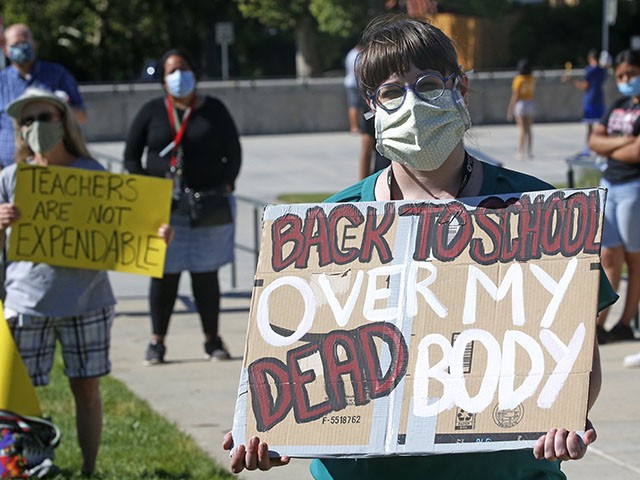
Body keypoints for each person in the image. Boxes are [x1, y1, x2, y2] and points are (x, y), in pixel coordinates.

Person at [223, 14, 617, 479]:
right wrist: (273, 428)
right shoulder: (325, 229)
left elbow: (576, 352)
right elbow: (291, 350)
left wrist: (565, 415)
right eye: (391, 92)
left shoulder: (541, 215)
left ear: (461, 89)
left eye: (428, 84)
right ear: (372, 107)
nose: (412, 103)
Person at [0, 87, 171, 476]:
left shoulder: (93, 176)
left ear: (63, 122)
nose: (36, 127)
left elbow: (126, 232)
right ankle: (22, 467)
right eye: (28, 121)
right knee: (13, 399)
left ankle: (90, 470)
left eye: (45, 117)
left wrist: (157, 237)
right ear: (19, 130)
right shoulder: (11, 178)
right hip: (27, 302)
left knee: (88, 391)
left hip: (87, 302)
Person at [124, 48, 242, 365]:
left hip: (207, 205)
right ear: (163, 80)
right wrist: (142, 189)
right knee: (165, 276)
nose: (179, 75)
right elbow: (131, 155)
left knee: (206, 276)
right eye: (171, 70)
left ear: (194, 73)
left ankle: (212, 340)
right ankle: (157, 342)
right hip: (164, 210)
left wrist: (228, 181)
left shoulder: (214, 109)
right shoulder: (151, 111)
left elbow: (233, 150)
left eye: (183, 68)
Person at [589, 49, 640, 345]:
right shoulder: (618, 104)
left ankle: (625, 322)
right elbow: (593, 141)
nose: (625, 80)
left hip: (633, 187)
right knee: (608, 254)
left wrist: (610, 146)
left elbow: (637, 153)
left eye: (631, 74)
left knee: (634, 259)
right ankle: (599, 323)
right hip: (609, 184)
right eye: (620, 75)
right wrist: (625, 142)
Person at [0, 24, 87, 169]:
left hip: (55, 170)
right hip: (10, 168)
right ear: (6, 50)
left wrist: (60, 108)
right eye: (15, 44)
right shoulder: (1, 82)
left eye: (25, 42)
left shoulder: (58, 74)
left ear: (34, 44)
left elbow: (83, 116)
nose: (21, 47)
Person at [565, 49, 607, 152]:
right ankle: (602, 148)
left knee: (589, 127)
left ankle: (588, 148)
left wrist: (573, 80)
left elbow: (585, 86)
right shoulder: (602, 70)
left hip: (590, 100)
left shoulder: (589, 70)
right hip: (600, 99)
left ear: (590, 58)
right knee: (602, 127)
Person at [507, 58, 535, 160]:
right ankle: (529, 151)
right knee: (529, 129)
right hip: (530, 102)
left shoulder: (519, 79)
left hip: (521, 104)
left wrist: (510, 110)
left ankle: (520, 151)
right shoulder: (531, 78)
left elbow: (515, 95)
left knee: (522, 129)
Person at [358, 115, 390, 179]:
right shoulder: (373, 111)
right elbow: (366, 151)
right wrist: (363, 184)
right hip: (382, 175)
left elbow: (366, 152)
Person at [344, 44, 364, 133]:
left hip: (353, 83)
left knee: (355, 106)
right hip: (354, 84)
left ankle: (356, 126)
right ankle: (354, 127)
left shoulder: (351, 53)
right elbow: (356, 69)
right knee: (354, 106)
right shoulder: (355, 55)